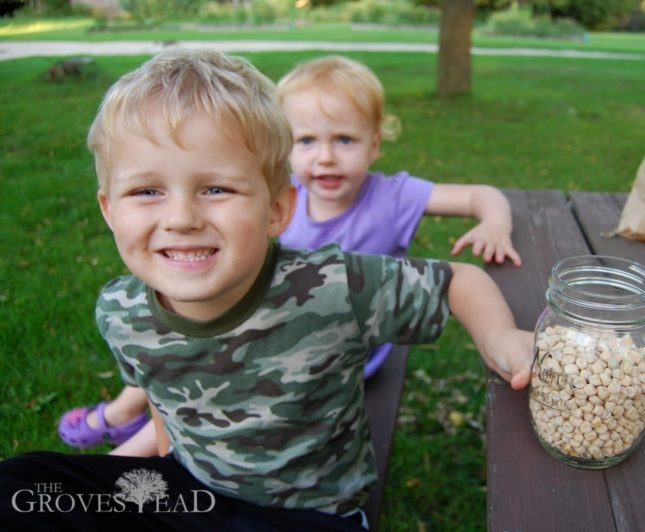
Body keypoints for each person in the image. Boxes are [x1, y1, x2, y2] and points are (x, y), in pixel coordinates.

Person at [1, 49, 533, 529]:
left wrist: (502, 339)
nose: (181, 217)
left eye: (215, 188)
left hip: (308, 513)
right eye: (146, 190)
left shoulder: (333, 286)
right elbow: (165, 402)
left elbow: (458, 281)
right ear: (109, 209)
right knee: (21, 485)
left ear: (278, 208)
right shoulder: (120, 311)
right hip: (191, 494)